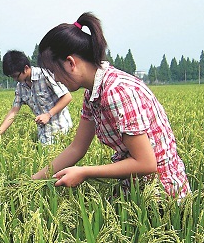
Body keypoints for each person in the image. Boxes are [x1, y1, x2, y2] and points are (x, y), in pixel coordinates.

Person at [32, 12, 190, 198]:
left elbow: (146, 163)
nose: (56, 79)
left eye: (54, 72)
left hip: (162, 194)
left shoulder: (116, 92)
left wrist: (84, 172)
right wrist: (33, 181)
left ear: (70, 63)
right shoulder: (93, 94)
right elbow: (77, 148)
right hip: (136, 188)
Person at [0, 50, 73, 144]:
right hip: (44, 136)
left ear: (26, 68)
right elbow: (14, 111)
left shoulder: (44, 75)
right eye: (12, 77)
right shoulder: (20, 87)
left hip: (61, 131)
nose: (15, 80)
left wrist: (48, 115)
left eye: (16, 76)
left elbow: (67, 97)